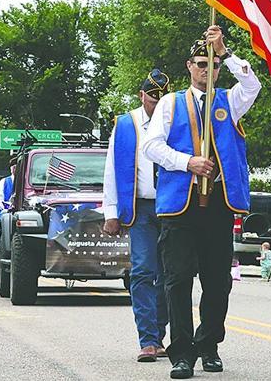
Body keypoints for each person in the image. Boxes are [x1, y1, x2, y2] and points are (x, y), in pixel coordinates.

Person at [143, 25, 261, 379]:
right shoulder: (170, 102)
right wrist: (187, 162)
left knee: (217, 280)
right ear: (189, 67)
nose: (207, 70)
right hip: (182, 202)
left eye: (212, 65)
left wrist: (225, 51)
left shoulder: (230, 100)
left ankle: (208, 344)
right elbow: (151, 146)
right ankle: (181, 352)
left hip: (220, 204)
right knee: (177, 278)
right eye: (201, 64)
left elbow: (253, 84)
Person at [102, 68, 172, 363]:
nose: (157, 104)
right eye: (152, 98)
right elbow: (112, 168)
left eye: (162, 99)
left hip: (173, 206)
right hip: (141, 207)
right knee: (144, 270)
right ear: (142, 96)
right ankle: (148, 339)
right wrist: (110, 211)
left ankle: (160, 331)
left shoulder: (177, 120)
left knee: (171, 273)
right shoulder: (125, 124)